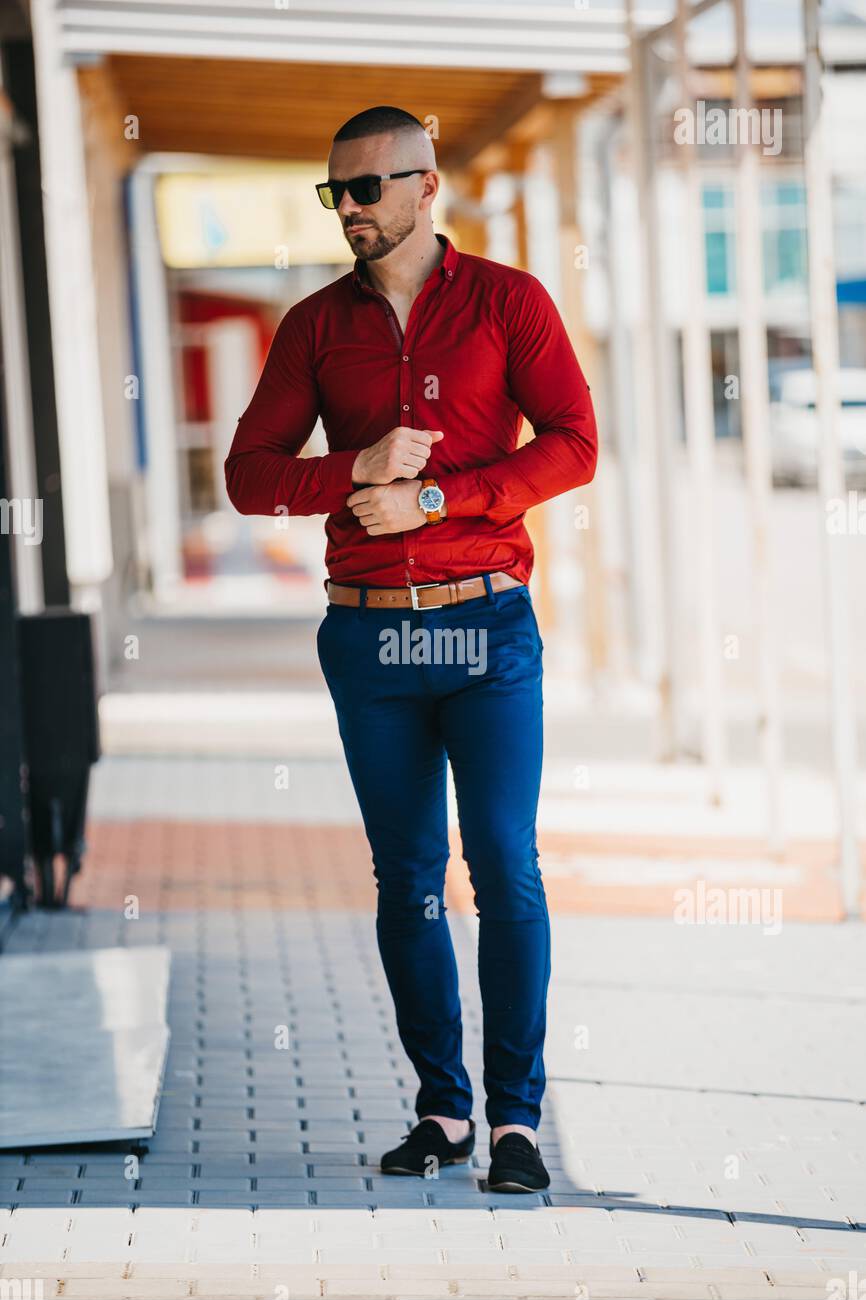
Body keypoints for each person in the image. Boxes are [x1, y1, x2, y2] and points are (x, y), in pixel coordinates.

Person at [225, 106, 597, 1192]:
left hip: (486, 626)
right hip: (367, 636)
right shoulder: (310, 327)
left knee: (503, 865)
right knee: (407, 879)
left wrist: (438, 495)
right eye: (333, 192)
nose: (348, 209)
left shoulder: (507, 302)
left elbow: (573, 443)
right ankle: (443, 1108)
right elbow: (249, 475)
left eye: (366, 188)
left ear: (424, 186)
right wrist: (350, 472)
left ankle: (517, 1124)